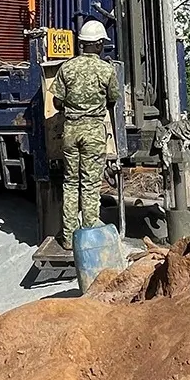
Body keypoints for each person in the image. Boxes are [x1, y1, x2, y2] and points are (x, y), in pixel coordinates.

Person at [54, 19, 120, 250]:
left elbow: (56, 101)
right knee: (91, 184)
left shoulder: (67, 68)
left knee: (70, 182)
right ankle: (89, 236)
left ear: (82, 43)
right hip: (93, 131)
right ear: (99, 43)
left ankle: (69, 237)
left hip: (70, 130)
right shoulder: (106, 69)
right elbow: (113, 99)